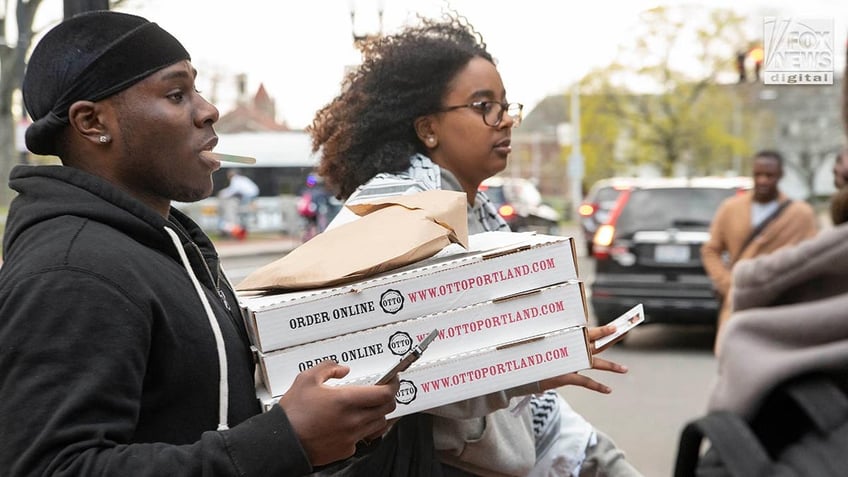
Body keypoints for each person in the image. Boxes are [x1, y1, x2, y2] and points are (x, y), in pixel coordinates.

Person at [0, 11, 399, 476]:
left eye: (198, 90)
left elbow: (208, 423)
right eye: (176, 94)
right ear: (92, 122)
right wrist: (283, 441)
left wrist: (328, 432)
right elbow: (49, 468)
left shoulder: (165, 247)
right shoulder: (74, 270)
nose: (208, 110)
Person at [309, 13, 641, 477]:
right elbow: (397, 368)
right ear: (428, 128)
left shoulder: (474, 211)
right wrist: (537, 360)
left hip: (514, 447)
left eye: (506, 105)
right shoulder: (396, 215)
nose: (504, 120)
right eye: (484, 105)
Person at [700, 149, 818, 354]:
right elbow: (711, 250)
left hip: (781, 307)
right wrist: (727, 283)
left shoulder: (801, 214)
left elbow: (813, 259)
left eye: (769, 175)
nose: (763, 180)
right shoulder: (731, 208)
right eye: (757, 175)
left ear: (780, 175)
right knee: (731, 362)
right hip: (738, 302)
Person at [218, 168, 259, 238]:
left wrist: (224, 194)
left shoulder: (235, 179)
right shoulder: (241, 178)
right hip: (252, 193)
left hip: (249, 195)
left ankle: (238, 229)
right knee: (242, 211)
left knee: (240, 210)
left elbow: (233, 190)